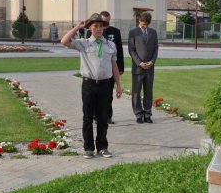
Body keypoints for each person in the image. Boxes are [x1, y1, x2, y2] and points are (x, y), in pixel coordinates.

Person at [61, 13, 122, 159]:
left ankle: (102, 147)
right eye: (95, 26)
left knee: (103, 117)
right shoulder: (84, 43)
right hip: (89, 84)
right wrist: (78, 27)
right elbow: (64, 41)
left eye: (101, 26)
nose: (99, 29)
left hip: (105, 85)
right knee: (88, 117)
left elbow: (114, 66)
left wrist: (118, 86)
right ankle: (88, 148)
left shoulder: (110, 45)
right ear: (90, 28)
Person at [86, 11, 124, 124]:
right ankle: (95, 115)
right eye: (103, 22)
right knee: (95, 96)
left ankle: (108, 116)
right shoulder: (92, 32)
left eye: (107, 22)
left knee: (108, 95)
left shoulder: (115, 32)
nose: (103, 27)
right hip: (96, 70)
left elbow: (119, 50)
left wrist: (120, 67)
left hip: (110, 69)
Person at [128, 11, 158, 124]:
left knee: (148, 92)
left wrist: (152, 62)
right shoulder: (133, 32)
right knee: (136, 92)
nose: (145, 26)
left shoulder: (153, 32)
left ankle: (147, 114)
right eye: (143, 24)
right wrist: (139, 63)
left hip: (150, 68)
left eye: (147, 24)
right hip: (138, 68)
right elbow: (131, 50)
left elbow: (156, 49)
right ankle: (138, 114)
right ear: (139, 20)